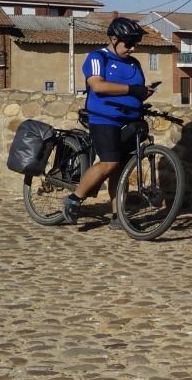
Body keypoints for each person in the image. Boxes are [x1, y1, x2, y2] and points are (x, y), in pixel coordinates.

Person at [63, 17, 158, 225]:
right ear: (114, 39)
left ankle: (118, 215)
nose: (132, 49)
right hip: (104, 118)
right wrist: (133, 89)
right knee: (109, 162)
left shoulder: (134, 63)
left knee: (121, 167)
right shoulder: (98, 58)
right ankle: (74, 198)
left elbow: (135, 92)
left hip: (130, 120)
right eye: (128, 44)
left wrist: (143, 93)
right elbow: (98, 86)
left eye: (135, 44)